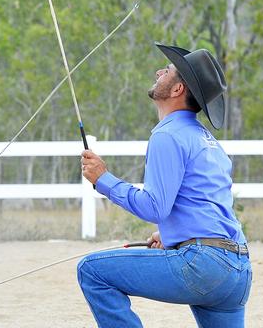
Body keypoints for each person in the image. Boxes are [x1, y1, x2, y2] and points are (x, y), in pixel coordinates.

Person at [76, 43, 252, 327]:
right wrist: (173, 235)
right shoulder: (207, 140)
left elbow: (154, 207)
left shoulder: (167, 135)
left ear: (177, 90)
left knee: (92, 271)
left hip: (203, 265)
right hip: (238, 269)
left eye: (168, 71)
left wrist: (103, 180)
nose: (159, 71)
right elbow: (206, 203)